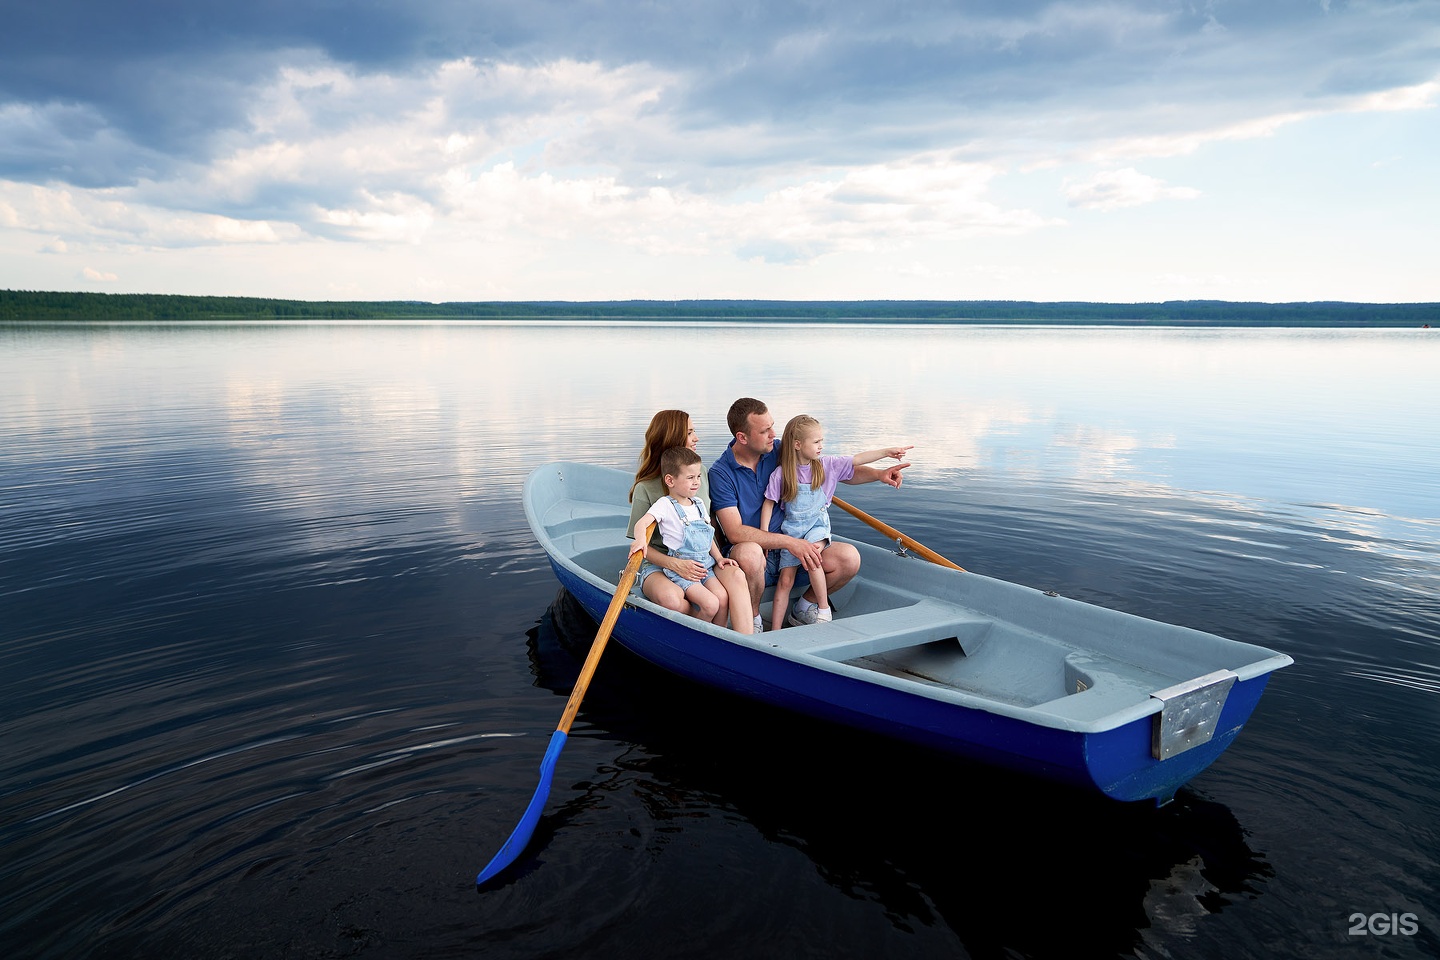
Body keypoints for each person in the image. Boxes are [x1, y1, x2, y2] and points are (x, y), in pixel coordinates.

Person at [709, 398, 911, 630]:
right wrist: (791, 543)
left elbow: (836, 470)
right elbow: (735, 533)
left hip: (796, 548)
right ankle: (754, 617)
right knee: (750, 553)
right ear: (742, 437)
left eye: (773, 426)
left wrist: (878, 474)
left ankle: (804, 607)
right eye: (765, 431)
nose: (773, 434)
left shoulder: (778, 450)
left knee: (848, 558)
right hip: (756, 562)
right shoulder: (721, 473)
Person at [759, 414, 909, 629]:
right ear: (798, 445)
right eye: (816, 442)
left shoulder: (826, 465)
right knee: (785, 582)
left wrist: (886, 452)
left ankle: (823, 610)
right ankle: (774, 630)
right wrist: (766, 536)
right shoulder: (782, 474)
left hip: (816, 528)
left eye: (822, 441)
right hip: (791, 533)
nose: (821, 446)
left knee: (813, 557)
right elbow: (769, 503)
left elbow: (857, 459)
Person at [628, 409, 754, 634]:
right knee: (672, 599)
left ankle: (746, 643)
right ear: (673, 438)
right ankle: (695, 633)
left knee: (734, 576)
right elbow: (641, 547)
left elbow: (706, 526)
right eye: (690, 433)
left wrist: (719, 557)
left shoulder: (700, 474)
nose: (696, 438)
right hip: (659, 563)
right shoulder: (645, 488)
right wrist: (676, 565)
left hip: (702, 558)